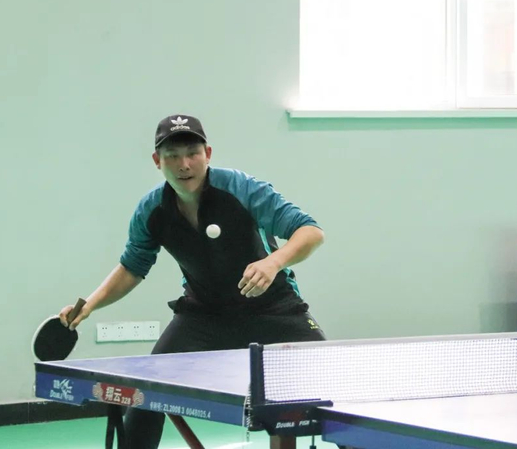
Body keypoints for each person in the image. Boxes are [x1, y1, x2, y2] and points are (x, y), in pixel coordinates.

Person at [59, 114, 326, 448]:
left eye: (192, 153)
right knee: (146, 392)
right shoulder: (152, 210)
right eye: (172, 155)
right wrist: (90, 305)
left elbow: (310, 231)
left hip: (274, 310)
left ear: (208, 154)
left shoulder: (241, 188)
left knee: (322, 392)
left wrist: (273, 262)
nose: (184, 165)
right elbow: (132, 267)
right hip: (204, 315)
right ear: (157, 161)